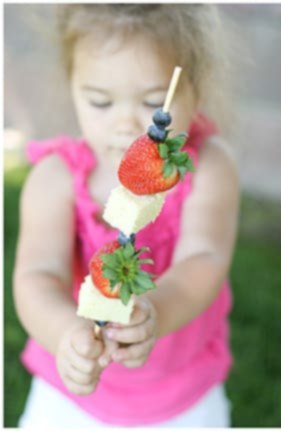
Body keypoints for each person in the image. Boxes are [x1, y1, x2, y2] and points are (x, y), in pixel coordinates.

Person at [13, 4, 238, 427]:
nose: (127, 124)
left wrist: (158, 311)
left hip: (184, 391)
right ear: (73, 86)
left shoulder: (209, 167)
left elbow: (205, 257)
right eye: (100, 101)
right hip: (71, 394)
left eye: (155, 104)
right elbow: (37, 274)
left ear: (197, 90)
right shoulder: (56, 177)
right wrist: (65, 335)